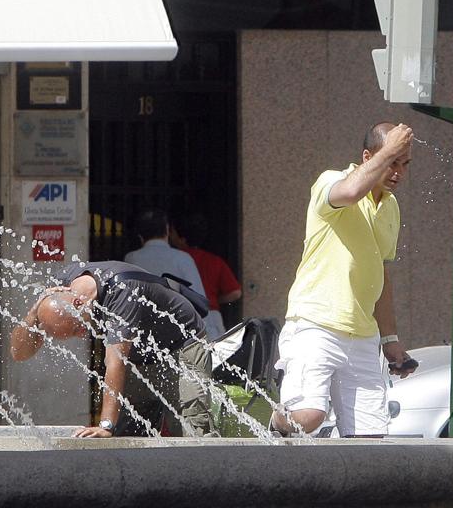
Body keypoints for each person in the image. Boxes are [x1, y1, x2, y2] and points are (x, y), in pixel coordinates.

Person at [270, 121, 418, 437]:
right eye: (392, 162)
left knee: (370, 437)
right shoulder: (332, 181)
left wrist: (389, 340)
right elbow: (350, 192)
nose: (398, 173)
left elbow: (381, 273)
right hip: (316, 323)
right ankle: (277, 422)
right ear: (367, 157)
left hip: (363, 335)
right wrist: (391, 147)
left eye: (404, 164)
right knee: (307, 418)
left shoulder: (390, 206)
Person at [10, 260, 214, 437]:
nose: (83, 335)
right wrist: (33, 312)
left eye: (78, 328)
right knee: (130, 430)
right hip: (139, 355)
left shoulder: (121, 290)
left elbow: (115, 361)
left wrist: (106, 425)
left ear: (79, 303)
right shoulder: (61, 287)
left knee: (192, 426)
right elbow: (19, 354)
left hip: (180, 347)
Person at [170, 214, 242, 340]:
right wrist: (214, 299)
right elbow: (235, 293)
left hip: (182, 314)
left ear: (182, 238)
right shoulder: (214, 261)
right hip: (212, 314)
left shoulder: (174, 259)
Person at [124, 209, 207, 301]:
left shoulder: (131, 258)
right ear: (167, 231)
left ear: (140, 236)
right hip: (178, 313)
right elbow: (199, 298)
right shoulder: (183, 258)